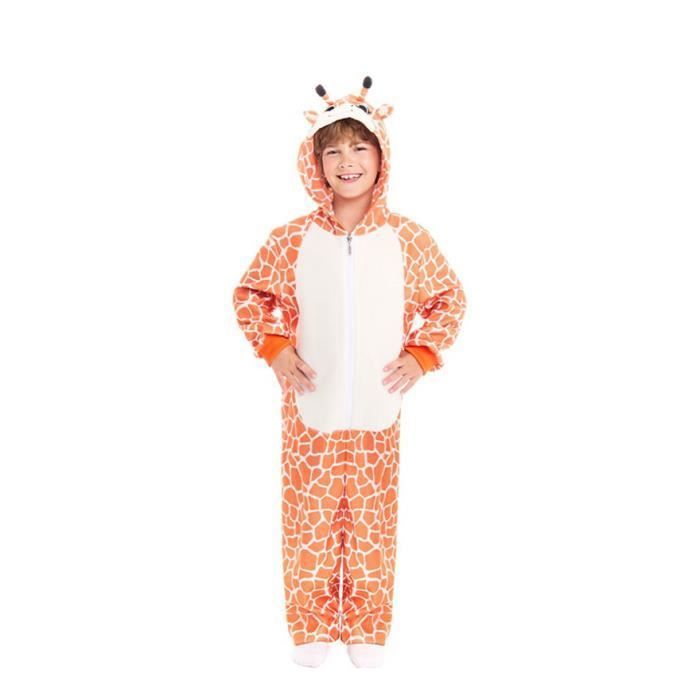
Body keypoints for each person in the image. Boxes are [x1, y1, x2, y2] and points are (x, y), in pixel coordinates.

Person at [232, 76, 467, 668]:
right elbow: (252, 293)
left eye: (359, 147)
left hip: (377, 410)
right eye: (332, 150)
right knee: (308, 519)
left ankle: (367, 627)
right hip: (309, 406)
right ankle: (310, 627)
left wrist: (421, 355)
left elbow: (448, 298)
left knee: (371, 523)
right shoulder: (292, 238)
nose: (346, 161)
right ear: (314, 163)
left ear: (381, 156)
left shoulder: (407, 238)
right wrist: (275, 348)